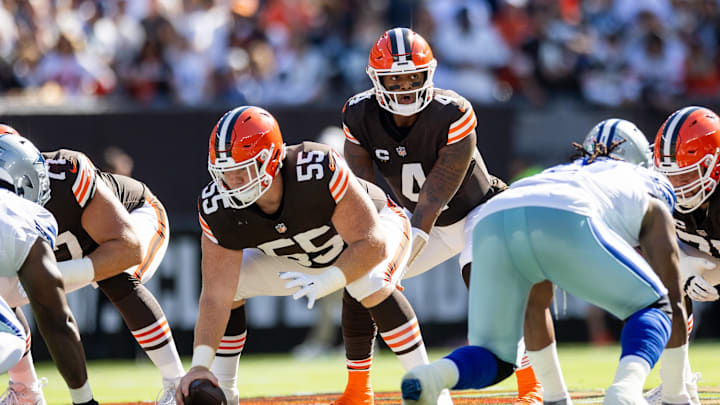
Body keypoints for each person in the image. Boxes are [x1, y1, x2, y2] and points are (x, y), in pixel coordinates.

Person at [176, 106, 444, 405]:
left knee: (368, 280)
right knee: (232, 285)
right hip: (306, 259)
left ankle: (431, 388)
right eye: (225, 171)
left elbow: (372, 244)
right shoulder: (217, 206)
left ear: (272, 159)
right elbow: (215, 295)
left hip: (376, 230)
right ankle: (225, 390)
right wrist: (200, 365)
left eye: (243, 169)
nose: (233, 181)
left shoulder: (316, 169)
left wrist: (330, 279)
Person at [399, 137, 687, 405]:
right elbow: (672, 300)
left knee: (498, 354)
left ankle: (434, 376)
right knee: (657, 306)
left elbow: (538, 302)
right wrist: (677, 396)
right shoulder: (649, 185)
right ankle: (625, 390)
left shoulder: (568, 171)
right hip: (564, 212)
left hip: (494, 215)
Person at [342, 27, 540, 404]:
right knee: (360, 277)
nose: (403, 87)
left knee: (490, 293)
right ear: (376, 80)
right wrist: (372, 252)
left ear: (428, 73)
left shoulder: (453, 111)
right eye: (394, 79)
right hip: (416, 219)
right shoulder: (359, 114)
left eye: (412, 77)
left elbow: (434, 198)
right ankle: (357, 389)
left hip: (479, 212)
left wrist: (399, 260)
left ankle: (533, 384)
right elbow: (364, 195)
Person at [0, 125, 184, 404]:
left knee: (116, 275)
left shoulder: (68, 176)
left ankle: (177, 383)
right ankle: (25, 391)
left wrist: (52, 278)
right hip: (70, 254)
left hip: (134, 222)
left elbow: (129, 249)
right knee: (4, 291)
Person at [521, 118, 674, 405]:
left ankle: (554, 396)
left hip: (522, 221)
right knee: (661, 300)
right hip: (587, 226)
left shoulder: (568, 171)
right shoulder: (638, 180)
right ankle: (640, 389)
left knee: (534, 301)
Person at [0, 133, 99, 405]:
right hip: (16, 231)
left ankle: (27, 392)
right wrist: (84, 400)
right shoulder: (25, 215)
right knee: (13, 337)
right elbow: (55, 318)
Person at [648, 106, 720, 405]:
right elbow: (640, 241)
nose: (677, 185)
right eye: (670, 175)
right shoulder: (655, 188)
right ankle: (676, 385)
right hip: (703, 253)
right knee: (658, 281)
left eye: (687, 174)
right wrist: (681, 265)